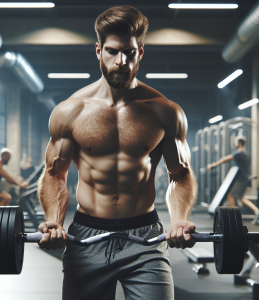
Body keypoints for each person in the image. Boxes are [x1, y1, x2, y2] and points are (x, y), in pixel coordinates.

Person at [37, 6, 197, 300]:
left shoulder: (164, 112)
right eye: (112, 51)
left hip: (146, 238)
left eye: (130, 53)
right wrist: (53, 221)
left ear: (141, 52)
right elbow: (54, 174)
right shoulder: (70, 111)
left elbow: (180, 174)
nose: (121, 61)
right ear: (98, 51)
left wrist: (179, 220)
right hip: (86, 238)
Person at [207, 136, 259, 214]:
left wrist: (213, 165)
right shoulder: (246, 153)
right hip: (244, 178)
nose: (234, 144)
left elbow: (225, 159)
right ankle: (257, 211)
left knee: (231, 194)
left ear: (239, 143)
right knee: (240, 197)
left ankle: (233, 214)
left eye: (235, 142)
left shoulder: (239, 153)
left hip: (241, 179)